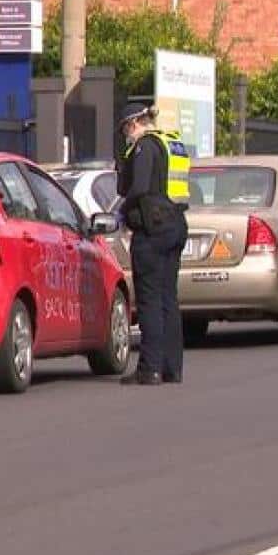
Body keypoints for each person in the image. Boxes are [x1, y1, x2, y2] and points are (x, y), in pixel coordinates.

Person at [116, 103, 190, 385]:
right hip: (175, 224)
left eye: (126, 129)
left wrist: (122, 211)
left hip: (152, 229)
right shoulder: (171, 142)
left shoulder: (145, 147)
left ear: (134, 123)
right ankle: (173, 368)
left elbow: (139, 188)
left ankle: (150, 369)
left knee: (149, 300)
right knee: (168, 299)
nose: (126, 135)